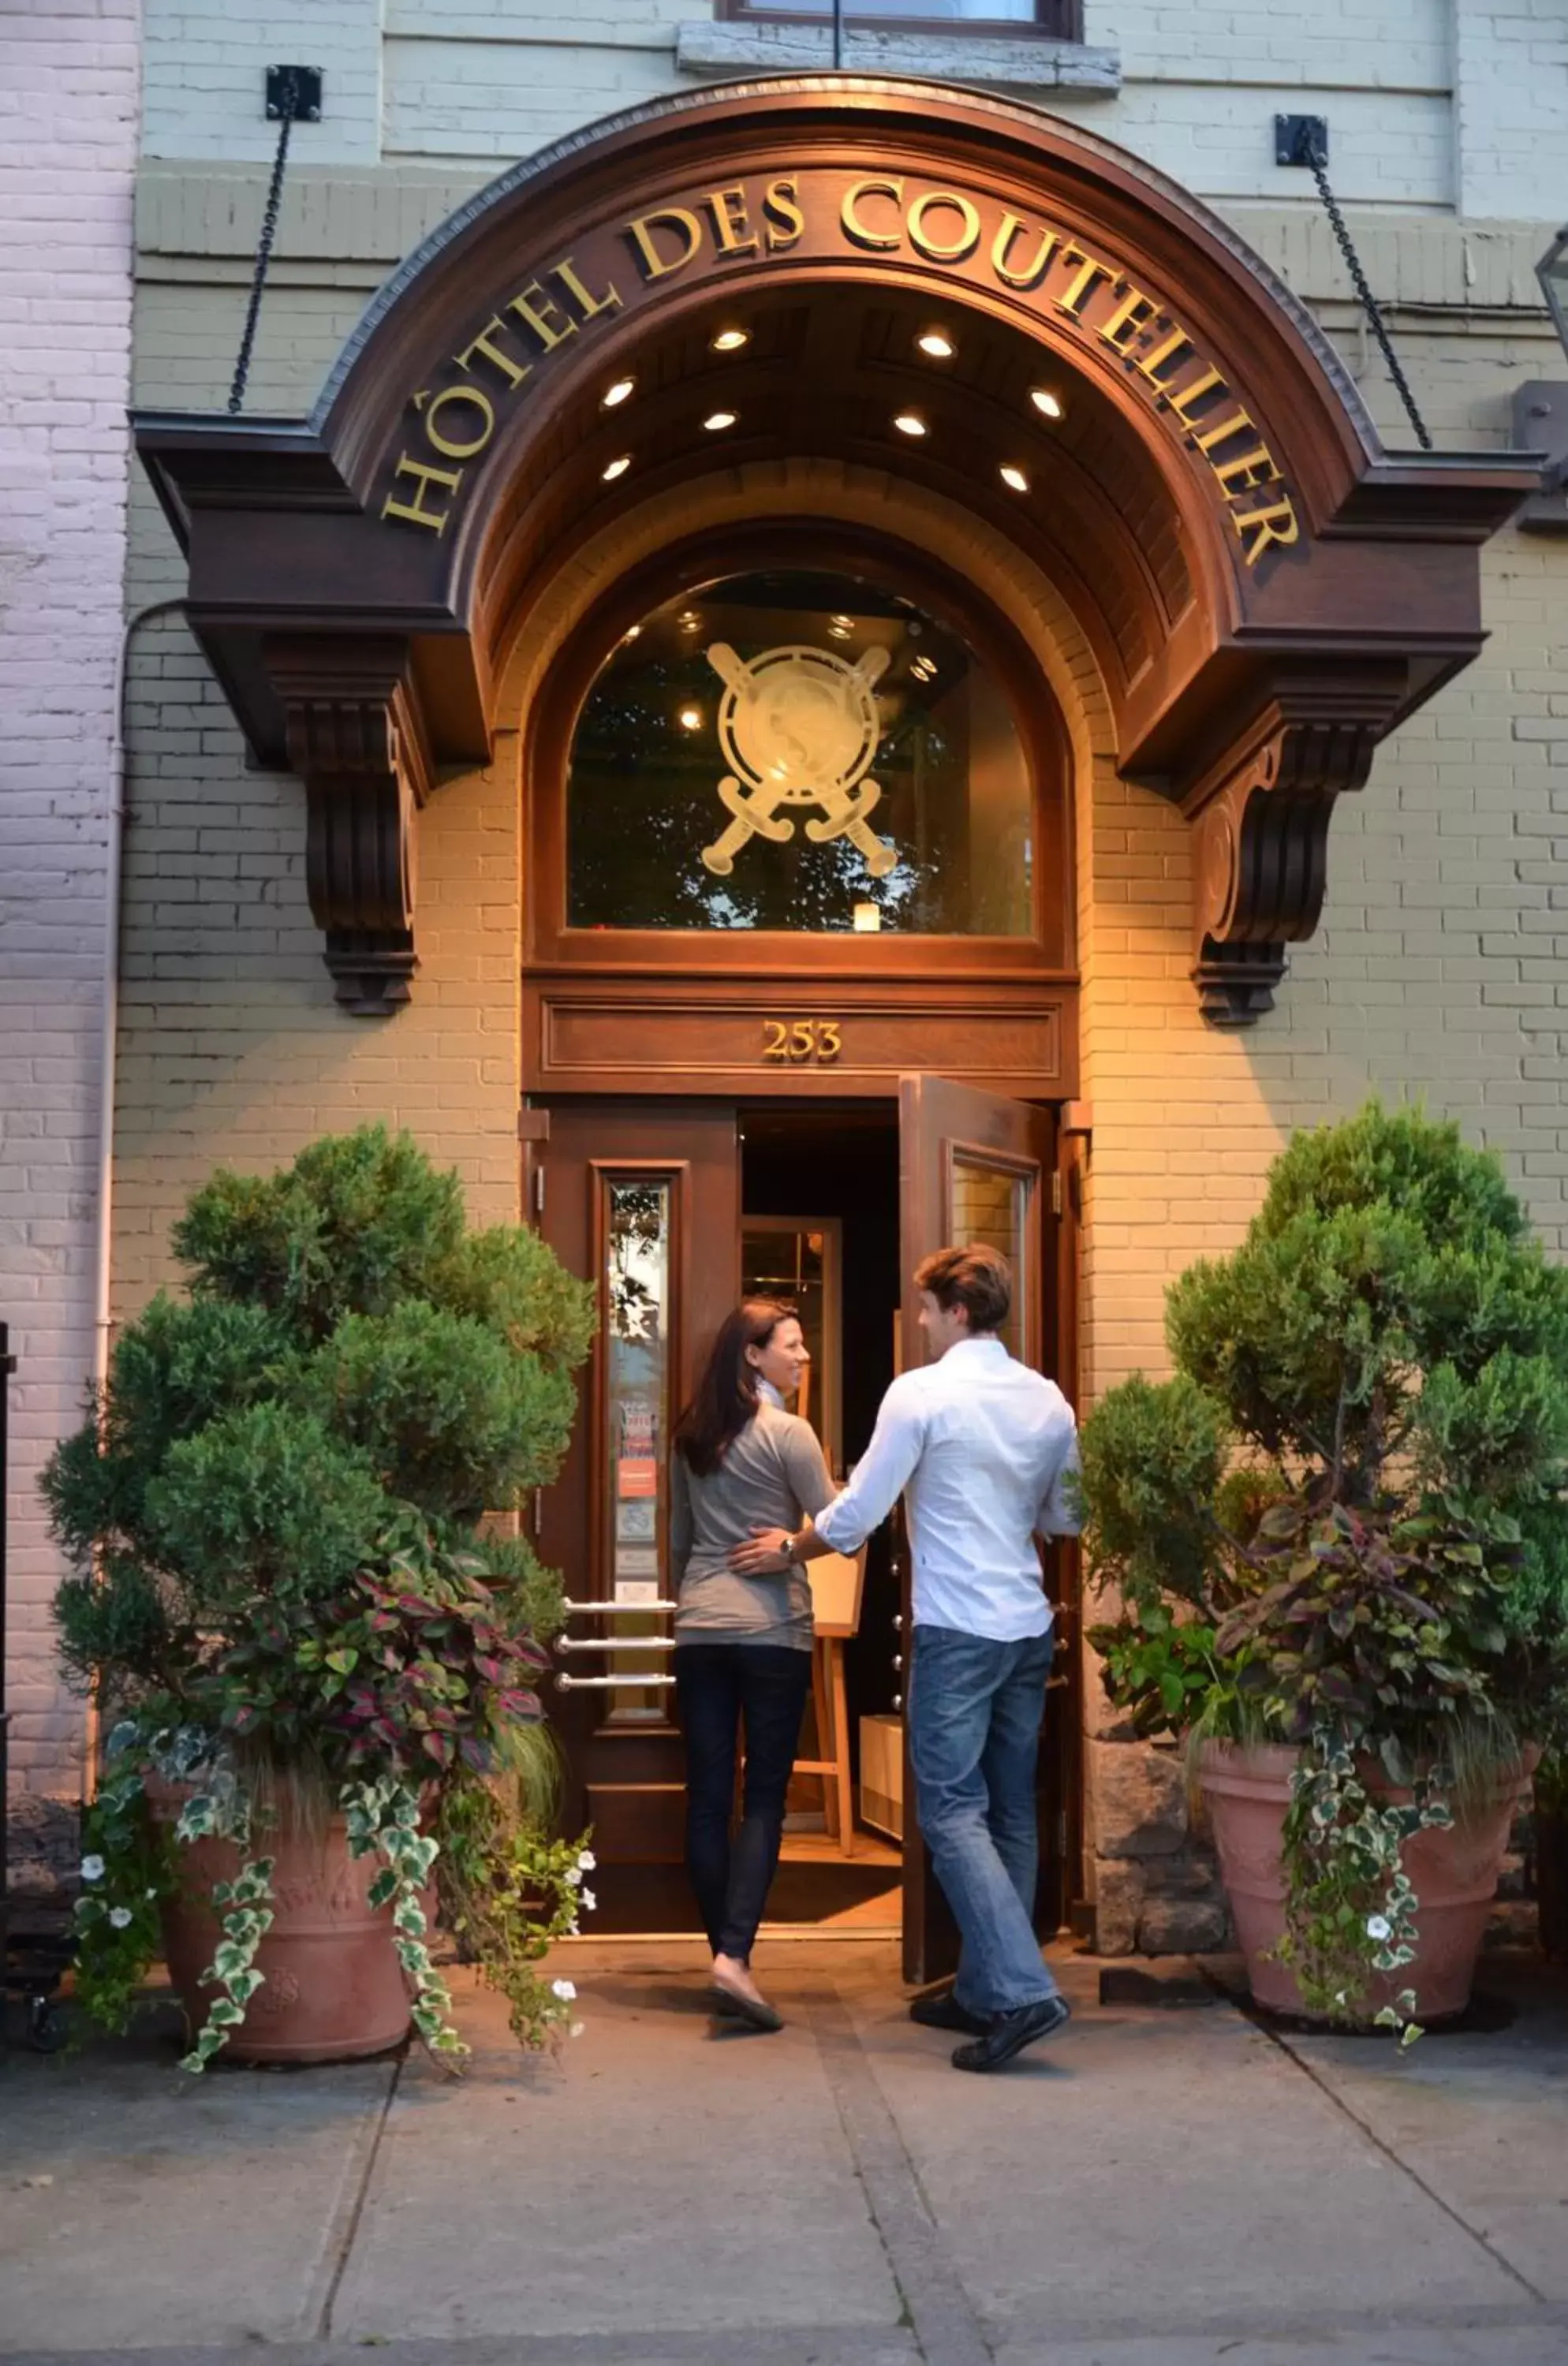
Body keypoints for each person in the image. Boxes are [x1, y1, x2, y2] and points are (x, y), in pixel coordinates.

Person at [730, 1244, 1080, 2073]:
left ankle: (1022, 1991)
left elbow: (854, 1517)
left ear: (956, 1310)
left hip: (956, 1630)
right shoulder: (1047, 1401)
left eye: (925, 1310)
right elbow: (1065, 1518)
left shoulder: (919, 1395)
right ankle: (987, 1987)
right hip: (1025, 1627)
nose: (918, 1323)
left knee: (951, 1811)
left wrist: (789, 1546)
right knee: (1010, 1810)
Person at [670, 1297, 838, 2031]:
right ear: (752, 1354)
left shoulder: (692, 1437)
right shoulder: (790, 1435)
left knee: (709, 1796)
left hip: (701, 1628)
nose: (803, 1358)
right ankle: (734, 1957)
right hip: (773, 1633)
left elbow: (678, 1541)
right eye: (791, 1346)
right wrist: (792, 1549)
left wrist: (699, 1597)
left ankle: (726, 1960)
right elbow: (844, 1528)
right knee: (763, 1795)